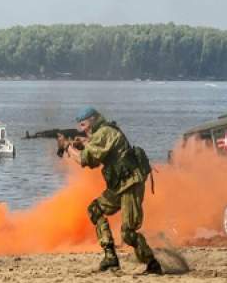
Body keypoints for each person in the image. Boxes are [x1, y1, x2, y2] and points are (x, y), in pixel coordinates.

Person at [63, 107, 163, 274]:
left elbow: (85, 160)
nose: (83, 128)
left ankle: (152, 263)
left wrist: (67, 147)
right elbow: (94, 160)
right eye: (80, 126)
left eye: (84, 124)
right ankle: (110, 257)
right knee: (95, 210)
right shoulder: (100, 134)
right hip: (119, 185)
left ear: (93, 119)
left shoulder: (104, 132)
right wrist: (83, 143)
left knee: (128, 233)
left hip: (130, 183)